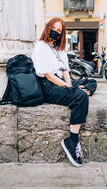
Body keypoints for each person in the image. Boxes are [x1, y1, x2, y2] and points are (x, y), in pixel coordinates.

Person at [31, 17, 96, 167]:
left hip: (61, 82)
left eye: (59, 31)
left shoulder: (60, 51)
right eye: (53, 28)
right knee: (80, 97)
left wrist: (70, 85)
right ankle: (72, 141)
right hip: (48, 85)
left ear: (62, 34)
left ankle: (84, 91)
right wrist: (70, 89)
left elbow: (66, 72)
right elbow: (48, 75)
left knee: (91, 82)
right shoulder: (40, 46)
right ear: (48, 28)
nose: (55, 32)